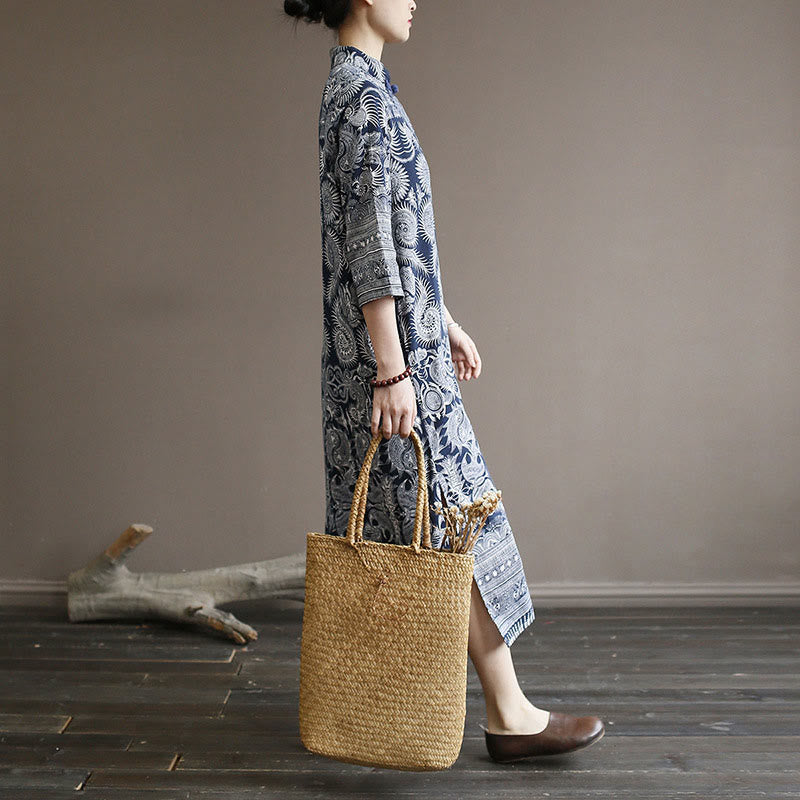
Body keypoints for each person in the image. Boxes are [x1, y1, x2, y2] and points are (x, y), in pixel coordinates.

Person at [283, 0, 605, 761]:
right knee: (442, 531)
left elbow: (396, 235)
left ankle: (502, 710)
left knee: (436, 534)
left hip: (404, 358)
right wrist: (394, 369)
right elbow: (369, 249)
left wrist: (444, 320)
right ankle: (503, 713)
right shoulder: (360, 98)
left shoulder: (363, 88)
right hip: (392, 371)